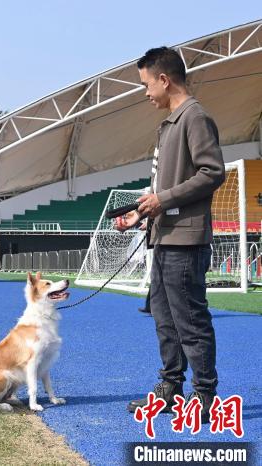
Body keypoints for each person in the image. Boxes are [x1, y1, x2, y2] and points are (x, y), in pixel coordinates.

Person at [117, 47, 225, 423]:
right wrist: (140, 215)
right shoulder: (169, 124)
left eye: (146, 84)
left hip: (186, 242)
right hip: (164, 239)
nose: (145, 92)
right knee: (165, 322)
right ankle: (171, 389)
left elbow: (212, 173)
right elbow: (166, 190)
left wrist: (161, 199)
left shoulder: (194, 117)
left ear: (164, 80)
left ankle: (205, 397)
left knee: (190, 322)